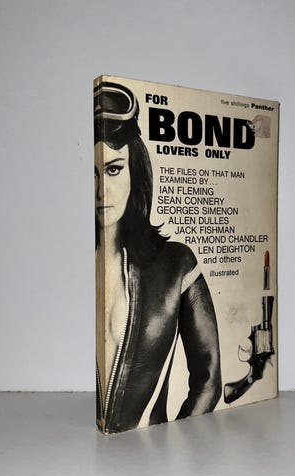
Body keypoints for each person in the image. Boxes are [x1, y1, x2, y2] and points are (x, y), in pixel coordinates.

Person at [94, 82, 222, 434]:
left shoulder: (175, 264)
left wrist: (175, 443)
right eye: (93, 174)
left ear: (135, 169)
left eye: (114, 169)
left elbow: (208, 380)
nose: (102, 190)